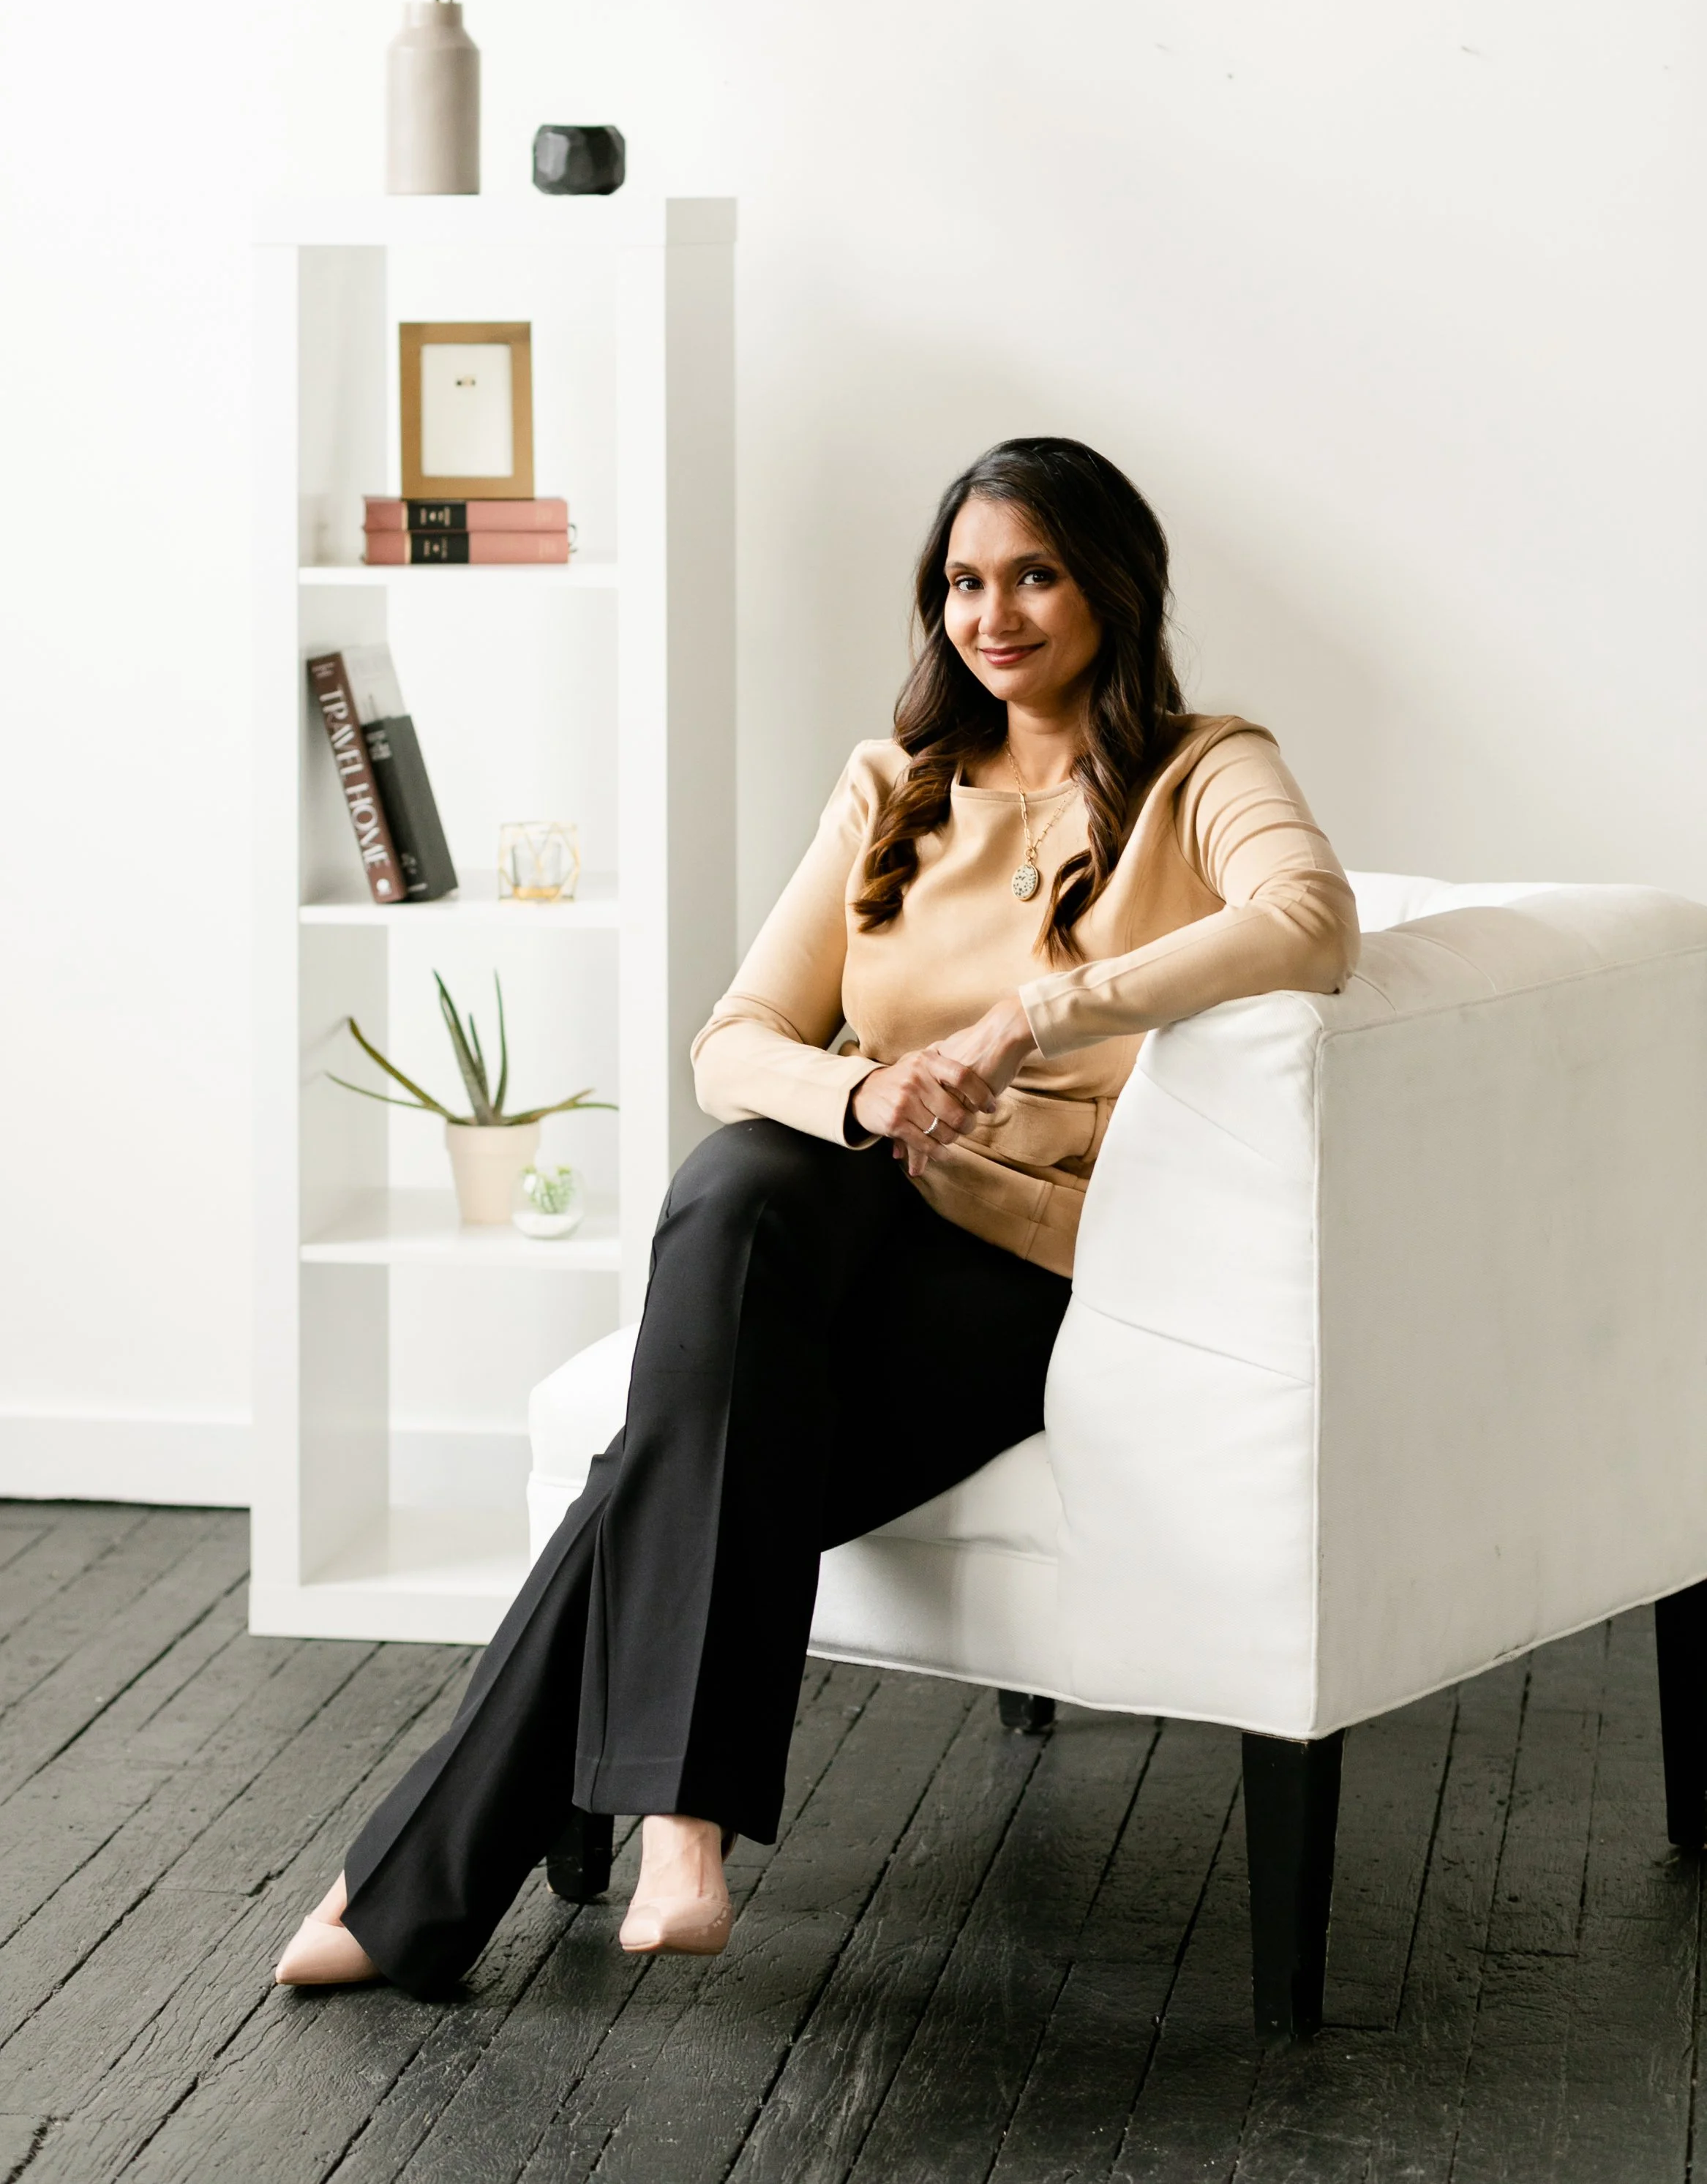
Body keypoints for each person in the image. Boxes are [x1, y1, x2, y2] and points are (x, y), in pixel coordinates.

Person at [276, 435, 1358, 1995]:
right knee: (730, 1187)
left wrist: (1026, 1023)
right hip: (861, 1192)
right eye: (963, 582)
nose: (993, 614)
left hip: (1030, 1259)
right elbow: (733, 1040)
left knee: (670, 1463)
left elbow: (1307, 922)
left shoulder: (1204, 769)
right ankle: (682, 1822)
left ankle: (421, 1883)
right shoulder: (889, 785)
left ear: (1113, 585)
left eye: (1034, 574)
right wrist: (861, 1097)